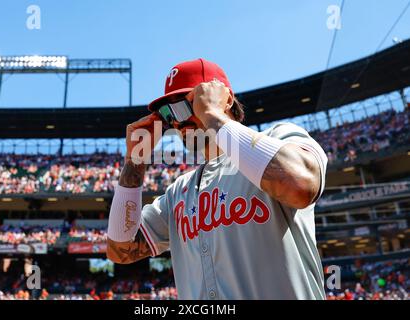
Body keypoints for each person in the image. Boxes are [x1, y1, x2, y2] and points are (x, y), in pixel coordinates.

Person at [106, 58, 328, 299]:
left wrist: (212, 116)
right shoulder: (178, 191)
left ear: (226, 100)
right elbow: (121, 249)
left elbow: (300, 185)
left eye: (186, 105)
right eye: (167, 114)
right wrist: (134, 161)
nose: (177, 122)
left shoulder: (279, 138)